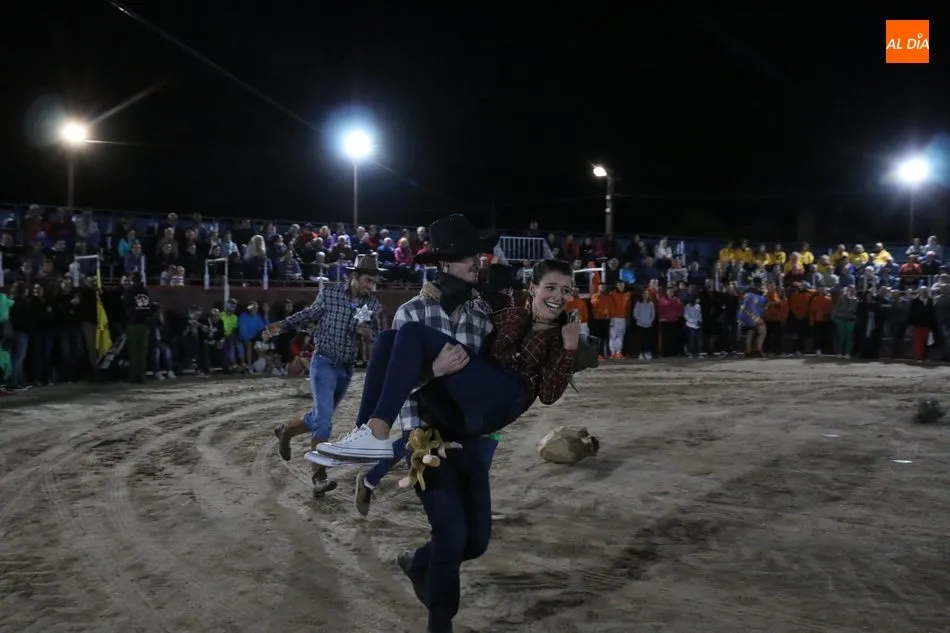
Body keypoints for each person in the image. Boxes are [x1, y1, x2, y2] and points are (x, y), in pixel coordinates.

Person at [314, 256, 579, 462]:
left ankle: (378, 432)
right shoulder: (511, 315)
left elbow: (548, 395)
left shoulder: (562, 335)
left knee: (412, 332)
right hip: (477, 395)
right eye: (551, 287)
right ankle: (363, 433)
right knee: (387, 340)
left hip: (509, 397)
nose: (558, 297)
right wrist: (435, 293)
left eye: (566, 290)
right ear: (533, 288)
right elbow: (471, 298)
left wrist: (569, 348)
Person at [345, 258, 515, 518]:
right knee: (419, 447)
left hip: (463, 414)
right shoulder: (415, 312)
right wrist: (433, 372)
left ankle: (470, 504)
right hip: (427, 411)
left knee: (477, 448)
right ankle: (370, 478)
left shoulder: (482, 317)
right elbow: (396, 377)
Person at [266, 253, 383, 495]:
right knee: (325, 421)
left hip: (346, 367)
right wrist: (283, 325)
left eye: (374, 282)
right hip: (323, 361)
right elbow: (309, 314)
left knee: (320, 417)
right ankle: (318, 477)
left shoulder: (373, 304)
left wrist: (368, 334)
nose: (370, 286)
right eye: (367, 281)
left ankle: (286, 431)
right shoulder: (329, 294)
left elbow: (377, 335)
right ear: (354, 276)